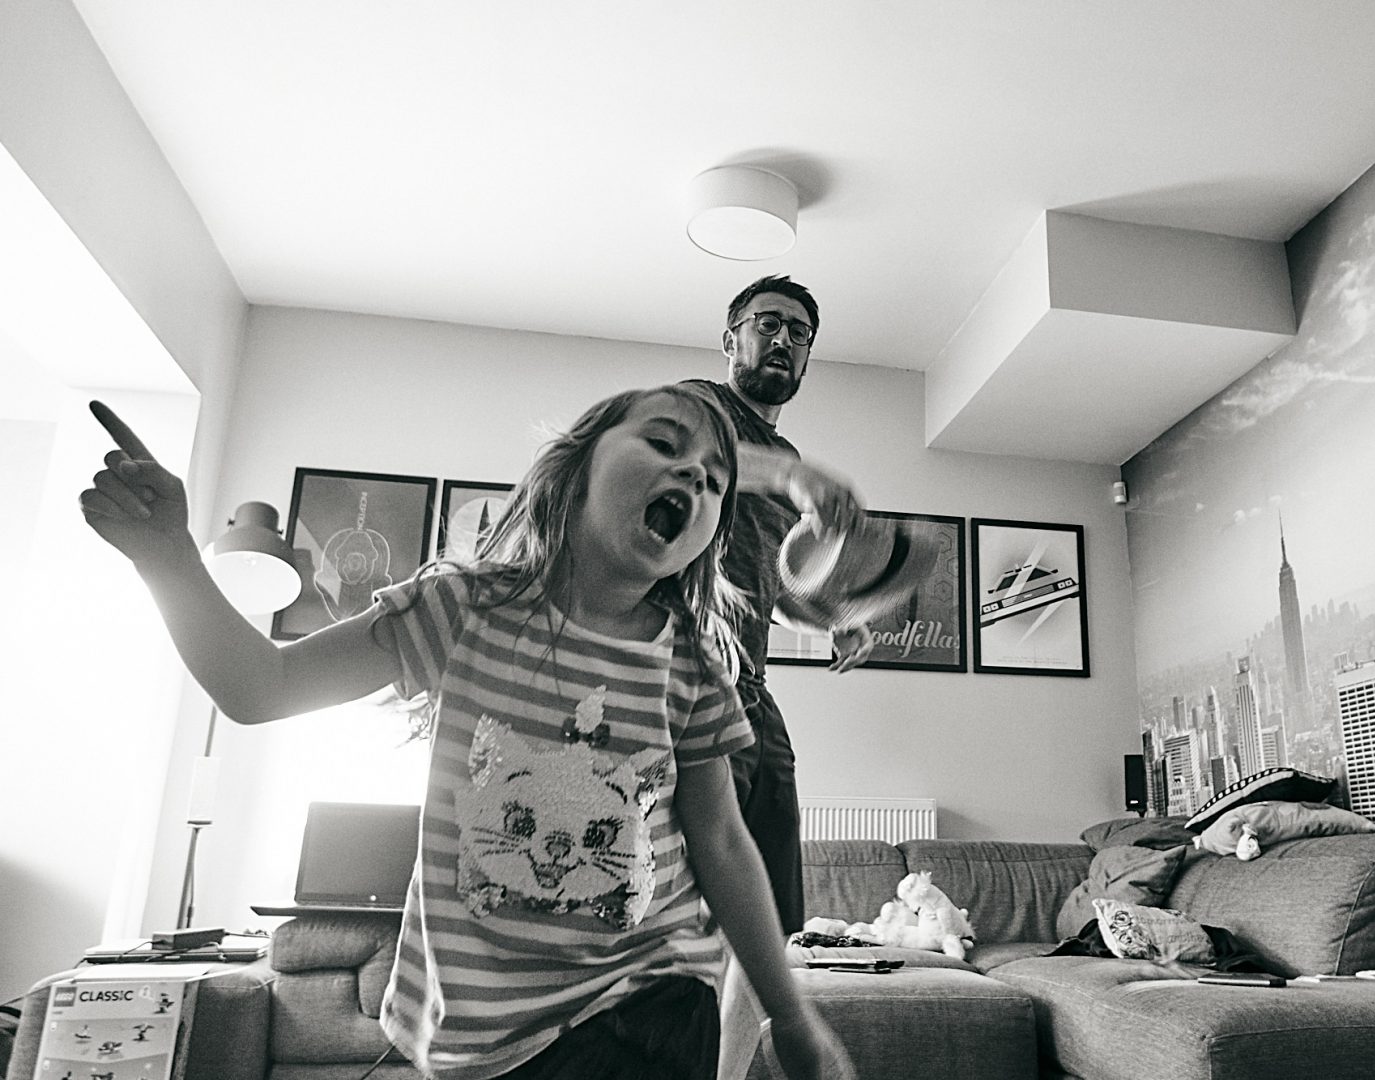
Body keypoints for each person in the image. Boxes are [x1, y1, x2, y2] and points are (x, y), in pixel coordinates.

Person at [79, 386, 851, 1080]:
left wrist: (793, 1014)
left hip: (647, 997)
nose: (694, 478)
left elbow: (721, 843)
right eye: (664, 444)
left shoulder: (692, 664)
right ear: (577, 469)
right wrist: (169, 557)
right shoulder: (463, 609)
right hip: (477, 1037)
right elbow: (260, 687)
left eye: (715, 481)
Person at [685, 275, 874, 935]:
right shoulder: (699, 405)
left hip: (751, 687)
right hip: (685, 672)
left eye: (800, 333)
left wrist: (836, 618)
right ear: (730, 338)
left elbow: (774, 577)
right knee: (695, 891)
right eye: (768, 324)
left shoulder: (785, 454)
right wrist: (794, 478)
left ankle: (760, 1027)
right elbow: (682, 455)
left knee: (772, 906)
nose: (784, 341)